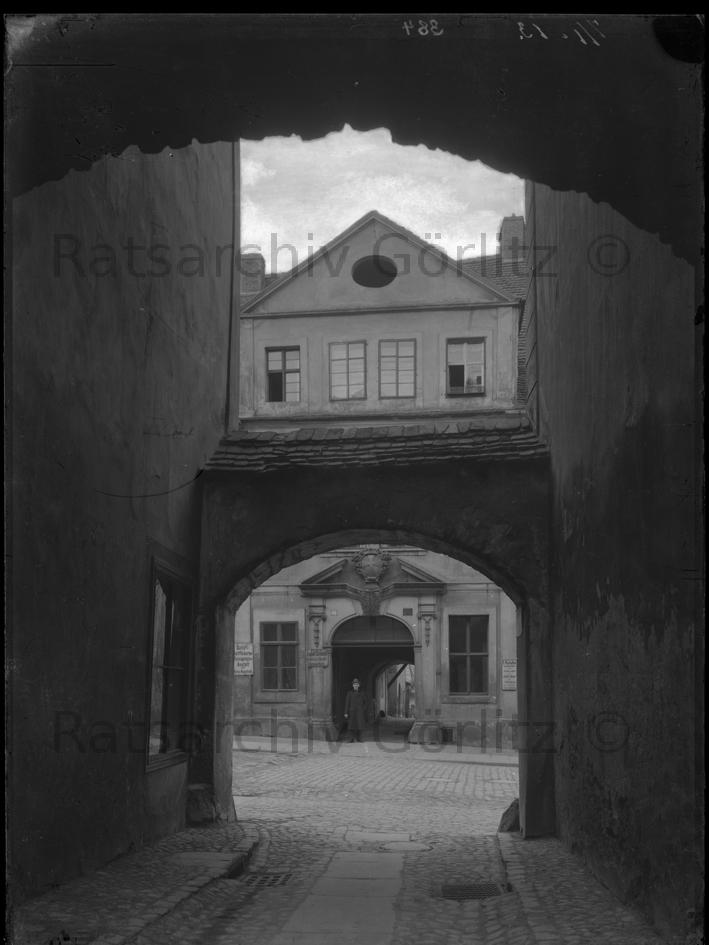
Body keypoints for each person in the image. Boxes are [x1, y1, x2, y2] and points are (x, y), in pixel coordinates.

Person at [343, 678, 367, 743]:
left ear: (359, 685)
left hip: (359, 712)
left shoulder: (362, 693)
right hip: (352, 712)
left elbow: (365, 703)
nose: (355, 685)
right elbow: (347, 703)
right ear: (353, 685)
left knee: (360, 725)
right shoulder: (349, 693)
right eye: (354, 684)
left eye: (357, 684)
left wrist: (362, 709)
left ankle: (360, 738)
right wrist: (346, 712)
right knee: (351, 726)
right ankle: (350, 739)